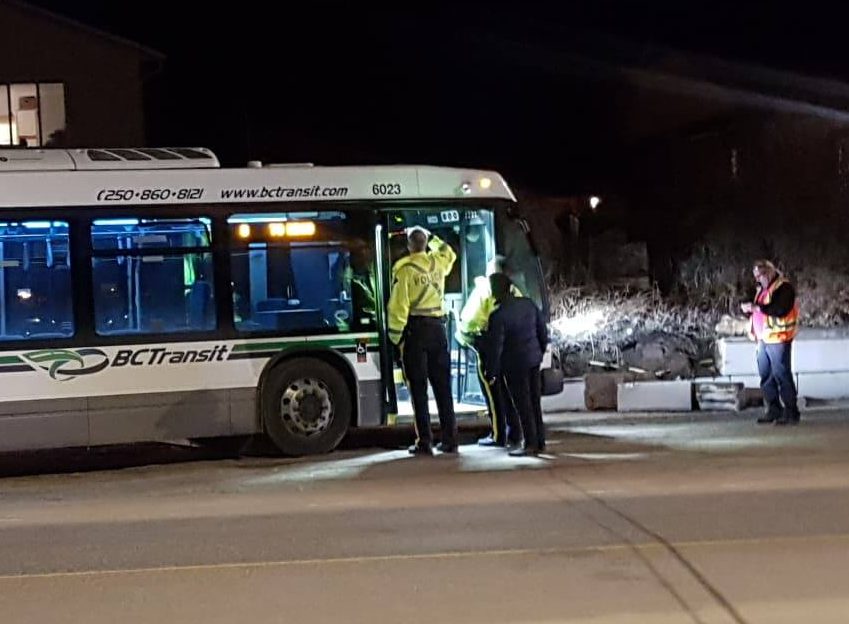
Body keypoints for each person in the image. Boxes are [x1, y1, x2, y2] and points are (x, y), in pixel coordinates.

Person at [387, 226, 458, 455]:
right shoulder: (438, 263)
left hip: (416, 332)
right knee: (443, 389)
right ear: (425, 244)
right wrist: (433, 237)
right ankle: (450, 440)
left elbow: (398, 308)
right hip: (438, 330)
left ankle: (424, 441)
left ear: (409, 246)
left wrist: (396, 338)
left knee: (418, 389)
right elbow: (450, 253)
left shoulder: (405, 270)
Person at [456, 256, 521, 447]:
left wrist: (465, 338)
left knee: (493, 393)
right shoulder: (514, 290)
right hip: (509, 346)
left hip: (486, 344)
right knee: (509, 392)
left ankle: (498, 434)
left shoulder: (484, 289)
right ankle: (515, 432)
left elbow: (468, 320)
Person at [485, 273, 548, 456]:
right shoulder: (528, 304)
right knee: (535, 402)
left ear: (495, 292)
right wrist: (539, 352)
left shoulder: (497, 316)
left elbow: (496, 347)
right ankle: (540, 441)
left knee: (523, 405)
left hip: (514, 366)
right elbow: (542, 332)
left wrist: (492, 372)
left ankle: (530, 444)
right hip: (533, 361)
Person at [740, 259, 801, 425]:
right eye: (756, 276)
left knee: (782, 375)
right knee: (766, 376)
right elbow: (759, 310)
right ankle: (773, 409)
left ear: (770, 272)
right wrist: (748, 309)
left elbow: (780, 309)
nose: (758, 279)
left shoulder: (784, 287)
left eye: (760, 275)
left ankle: (791, 412)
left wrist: (757, 308)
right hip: (763, 339)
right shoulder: (763, 289)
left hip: (778, 338)